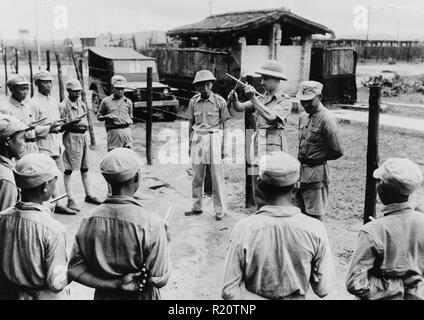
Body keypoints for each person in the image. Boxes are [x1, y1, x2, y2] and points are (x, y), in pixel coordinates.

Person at [222, 151, 335, 300]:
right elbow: (323, 289)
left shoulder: (244, 229)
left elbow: (229, 291)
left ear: (259, 184)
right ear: (296, 186)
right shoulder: (315, 229)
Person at [68, 148, 171, 300]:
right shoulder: (151, 224)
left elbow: (74, 269)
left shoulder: (88, 220)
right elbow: (158, 279)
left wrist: (115, 284)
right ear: (136, 177)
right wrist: (167, 242)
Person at [346, 158, 424, 300]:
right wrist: (413, 287)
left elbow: (355, 283)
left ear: (381, 188)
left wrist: (399, 288)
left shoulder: (372, 231)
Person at [0, 153, 69, 299]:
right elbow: (56, 284)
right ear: (45, 186)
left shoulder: (2, 217)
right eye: (53, 181)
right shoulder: (54, 229)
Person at [228, 60, 292, 209]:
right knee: (258, 185)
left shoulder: (284, 101)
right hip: (257, 147)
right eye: (261, 78)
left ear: (277, 79)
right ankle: (260, 213)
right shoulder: (261, 98)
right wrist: (235, 100)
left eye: (266, 78)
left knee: (273, 186)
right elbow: (240, 108)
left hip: (274, 149)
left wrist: (254, 99)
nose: (262, 82)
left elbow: (271, 117)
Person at [185, 70, 231, 221]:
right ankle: (196, 206)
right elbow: (190, 123)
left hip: (214, 137)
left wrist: (224, 146)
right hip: (197, 137)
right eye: (200, 85)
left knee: (217, 175)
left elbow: (226, 124)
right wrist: (189, 144)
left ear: (211, 84)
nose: (204, 87)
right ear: (196, 87)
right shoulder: (193, 101)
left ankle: (219, 209)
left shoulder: (220, 101)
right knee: (197, 175)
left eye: (207, 84)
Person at [294, 81, 343, 221]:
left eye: (310, 101)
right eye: (303, 101)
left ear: (320, 97)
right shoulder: (303, 116)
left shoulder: (327, 119)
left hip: (316, 174)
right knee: (298, 214)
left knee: (314, 217)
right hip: (300, 173)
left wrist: (316, 158)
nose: (306, 105)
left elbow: (337, 150)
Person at [29, 70, 76, 215]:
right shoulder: (33, 103)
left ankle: (58, 203)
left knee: (56, 174)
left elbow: (57, 125)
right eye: (45, 82)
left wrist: (66, 125)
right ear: (37, 84)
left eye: (50, 82)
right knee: (45, 176)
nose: (49, 85)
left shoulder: (53, 101)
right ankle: (49, 206)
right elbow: (32, 129)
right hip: (43, 145)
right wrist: (49, 127)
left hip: (56, 143)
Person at [58, 79, 102, 212]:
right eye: (74, 91)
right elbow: (59, 127)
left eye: (79, 91)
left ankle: (88, 194)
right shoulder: (63, 105)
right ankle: (70, 199)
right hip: (71, 137)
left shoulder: (81, 103)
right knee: (69, 169)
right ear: (68, 91)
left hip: (83, 137)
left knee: (85, 168)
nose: (77, 93)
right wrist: (70, 123)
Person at [0, 74, 49, 158]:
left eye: (27, 89)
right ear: (12, 89)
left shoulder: (26, 107)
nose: (26, 92)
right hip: (19, 149)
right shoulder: (5, 108)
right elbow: (6, 133)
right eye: (22, 89)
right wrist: (26, 127)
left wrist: (50, 126)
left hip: (33, 146)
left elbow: (34, 129)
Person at [97, 75, 134, 152]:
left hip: (126, 132)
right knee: (113, 155)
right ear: (112, 88)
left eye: (122, 89)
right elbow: (99, 116)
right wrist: (107, 116)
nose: (120, 91)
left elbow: (130, 116)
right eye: (117, 88)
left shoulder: (128, 102)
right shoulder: (106, 101)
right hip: (114, 132)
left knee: (127, 155)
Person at [0, 115, 29, 211]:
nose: (24, 143)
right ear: (8, 141)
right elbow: (6, 220)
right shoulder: (7, 179)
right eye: (21, 138)